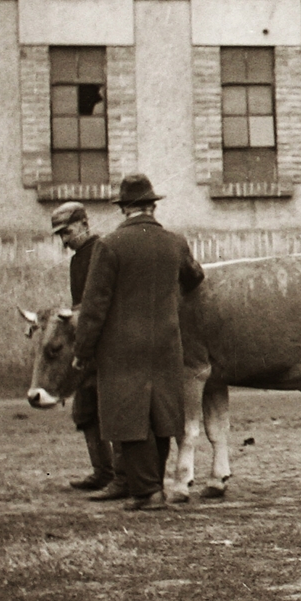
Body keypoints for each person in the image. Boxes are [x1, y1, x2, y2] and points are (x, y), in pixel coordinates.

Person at [71, 174, 205, 511]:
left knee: (130, 419)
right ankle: (152, 485)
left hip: (121, 347)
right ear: (152, 206)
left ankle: (148, 492)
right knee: (161, 415)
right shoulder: (175, 242)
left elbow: (94, 305)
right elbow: (195, 276)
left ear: (124, 209)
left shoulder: (109, 245)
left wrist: (83, 350)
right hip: (165, 343)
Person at [49, 201, 125, 496]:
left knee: (110, 410)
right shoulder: (77, 259)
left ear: (83, 224)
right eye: (60, 235)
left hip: (104, 344)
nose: (64, 240)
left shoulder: (101, 252)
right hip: (86, 342)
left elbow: (102, 302)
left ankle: (121, 475)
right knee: (84, 410)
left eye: (66, 232)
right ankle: (102, 471)